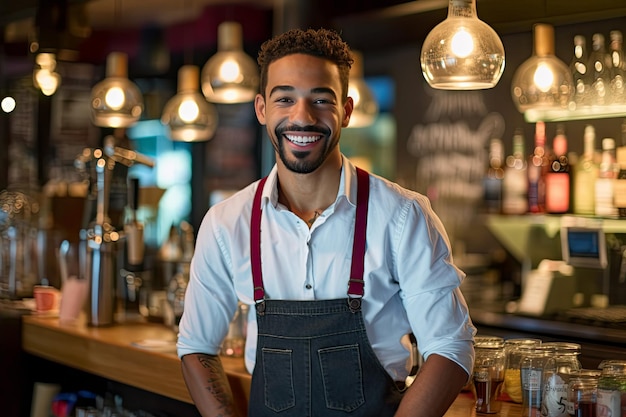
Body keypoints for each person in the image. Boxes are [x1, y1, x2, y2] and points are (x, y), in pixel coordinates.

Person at [177, 27, 476, 417]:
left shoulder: (403, 216)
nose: (302, 117)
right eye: (285, 99)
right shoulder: (225, 223)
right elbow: (197, 346)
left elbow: (451, 348)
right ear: (262, 109)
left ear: (346, 111)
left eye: (321, 99)